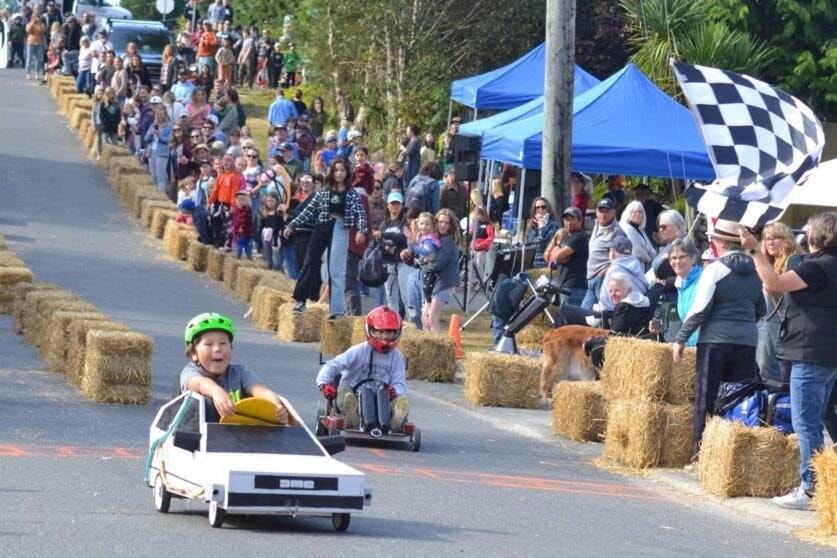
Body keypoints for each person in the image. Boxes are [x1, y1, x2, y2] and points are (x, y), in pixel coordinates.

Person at [740, 213, 837, 510]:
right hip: (826, 353)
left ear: (816, 236)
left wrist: (754, 250)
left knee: (805, 423)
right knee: (822, 419)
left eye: (807, 232)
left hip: (810, 352)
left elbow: (774, 283)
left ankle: (809, 489)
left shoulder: (819, 267)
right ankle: (821, 484)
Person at [673, 219, 765, 461]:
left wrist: (681, 338)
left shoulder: (715, 269)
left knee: (706, 395)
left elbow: (700, 310)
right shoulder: (757, 268)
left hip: (715, 341)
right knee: (740, 396)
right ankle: (732, 456)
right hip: (747, 341)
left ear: (718, 242)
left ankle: (699, 454)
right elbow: (761, 310)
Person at [284, 159, 368, 319]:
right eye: (336, 170)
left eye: (342, 170)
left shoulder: (351, 194)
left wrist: (361, 230)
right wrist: (292, 225)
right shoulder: (323, 191)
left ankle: (336, 310)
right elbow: (308, 211)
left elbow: (361, 214)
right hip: (321, 226)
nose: (339, 173)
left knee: (336, 270)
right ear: (332, 172)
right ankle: (300, 301)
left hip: (340, 227)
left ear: (347, 173)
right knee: (309, 263)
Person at [180, 312, 289, 423]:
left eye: (223, 343)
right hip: (197, 434)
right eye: (209, 344)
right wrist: (216, 391)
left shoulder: (240, 373)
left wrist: (275, 406)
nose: (217, 348)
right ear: (193, 353)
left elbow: (260, 390)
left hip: (239, 435)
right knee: (207, 402)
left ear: (231, 348)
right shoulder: (190, 372)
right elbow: (201, 384)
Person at [316, 306, 409, 431]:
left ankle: (392, 424)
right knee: (344, 392)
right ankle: (352, 419)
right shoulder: (359, 350)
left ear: (397, 333)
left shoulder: (397, 357)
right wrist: (323, 383)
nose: (386, 337)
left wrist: (395, 391)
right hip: (354, 394)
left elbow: (400, 383)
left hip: (383, 400)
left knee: (402, 399)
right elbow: (333, 365)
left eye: (390, 333)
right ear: (370, 331)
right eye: (381, 332)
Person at [755, 222, 803, 384]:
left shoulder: (795, 261)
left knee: (775, 368)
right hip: (768, 321)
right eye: (767, 238)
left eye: (776, 238)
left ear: (787, 239)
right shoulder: (767, 264)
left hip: (785, 324)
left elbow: (781, 290)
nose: (770, 242)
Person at [421, 209, 461, 333]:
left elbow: (438, 264)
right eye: (440, 222)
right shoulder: (436, 239)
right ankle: (427, 345)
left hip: (443, 283)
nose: (443, 225)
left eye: (446, 223)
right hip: (433, 282)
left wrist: (423, 264)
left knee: (432, 318)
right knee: (425, 318)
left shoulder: (448, 241)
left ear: (450, 225)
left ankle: (436, 347)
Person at [545, 206, 588, 306]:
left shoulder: (579, 237)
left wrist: (559, 255)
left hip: (574, 287)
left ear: (580, 221)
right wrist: (560, 256)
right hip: (564, 284)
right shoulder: (567, 236)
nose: (568, 222)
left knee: (568, 319)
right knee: (563, 317)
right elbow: (551, 256)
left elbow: (557, 256)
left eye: (572, 219)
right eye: (566, 219)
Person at [377, 191, 410, 313]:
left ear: (402, 205)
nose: (395, 206)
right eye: (393, 203)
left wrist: (387, 237)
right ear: (388, 205)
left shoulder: (405, 222)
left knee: (406, 296)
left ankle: (412, 324)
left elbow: (404, 238)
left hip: (403, 263)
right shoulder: (384, 223)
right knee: (391, 297)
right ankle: (394, 325)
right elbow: (380, 242)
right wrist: (388, 246)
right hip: (389, 263)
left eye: (398, 203)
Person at [619, 200, 656, 270]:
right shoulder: (626, 228)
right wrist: (648, 257)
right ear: (629, 213)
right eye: (635, 212)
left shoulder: (641, 231)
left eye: (640, 211)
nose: (638, 214)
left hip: (644, 268)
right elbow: (637, 251)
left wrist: (648, 253)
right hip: (632, 268)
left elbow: (651, 250)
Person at [144, 108, 174, 193]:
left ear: (165, 115)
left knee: (161, 175)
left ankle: (161, 194)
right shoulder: (152, 125)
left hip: (162, 153)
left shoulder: (169, 126)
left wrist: (159, 135)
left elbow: (169, 140)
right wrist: (151, 133)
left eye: (161, 114)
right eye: (157, 114)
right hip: (151, 151)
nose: (159, 116)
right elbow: (146, 139)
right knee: (153, 176)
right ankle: (154, 194)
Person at [525, 197, 560, 268]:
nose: (540, 209)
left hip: (545, 264)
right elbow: (530, 243)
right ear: (534, 210)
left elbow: (547, 244)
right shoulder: (532, 225)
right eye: (537, 207)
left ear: (548, 209)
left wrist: (542, 227)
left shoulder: (554, 225)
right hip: (531, 263)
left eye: (543, 207)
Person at [468, 206, 494, 289]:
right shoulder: (475, 224)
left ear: (483, 215)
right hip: (473, 247)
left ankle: (480, 282)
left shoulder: (488, 226)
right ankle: (471, 281)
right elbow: (471, 234)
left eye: (478, 214)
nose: (477, 216)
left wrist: (482, 245)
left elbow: (490, 238)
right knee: (471, 265)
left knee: (480, 265)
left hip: (481, 249)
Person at [232, 190, 253, 260]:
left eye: (242, 200)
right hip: (246, 230)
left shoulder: (245, 209)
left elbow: (244, 220)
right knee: (246, 244)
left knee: (240, 243)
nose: (240, 202)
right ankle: (249, 256)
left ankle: (239, 256)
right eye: (239, 200)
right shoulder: (239, 208)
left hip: (243, 230)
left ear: (246, 201)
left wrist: (241, 228)